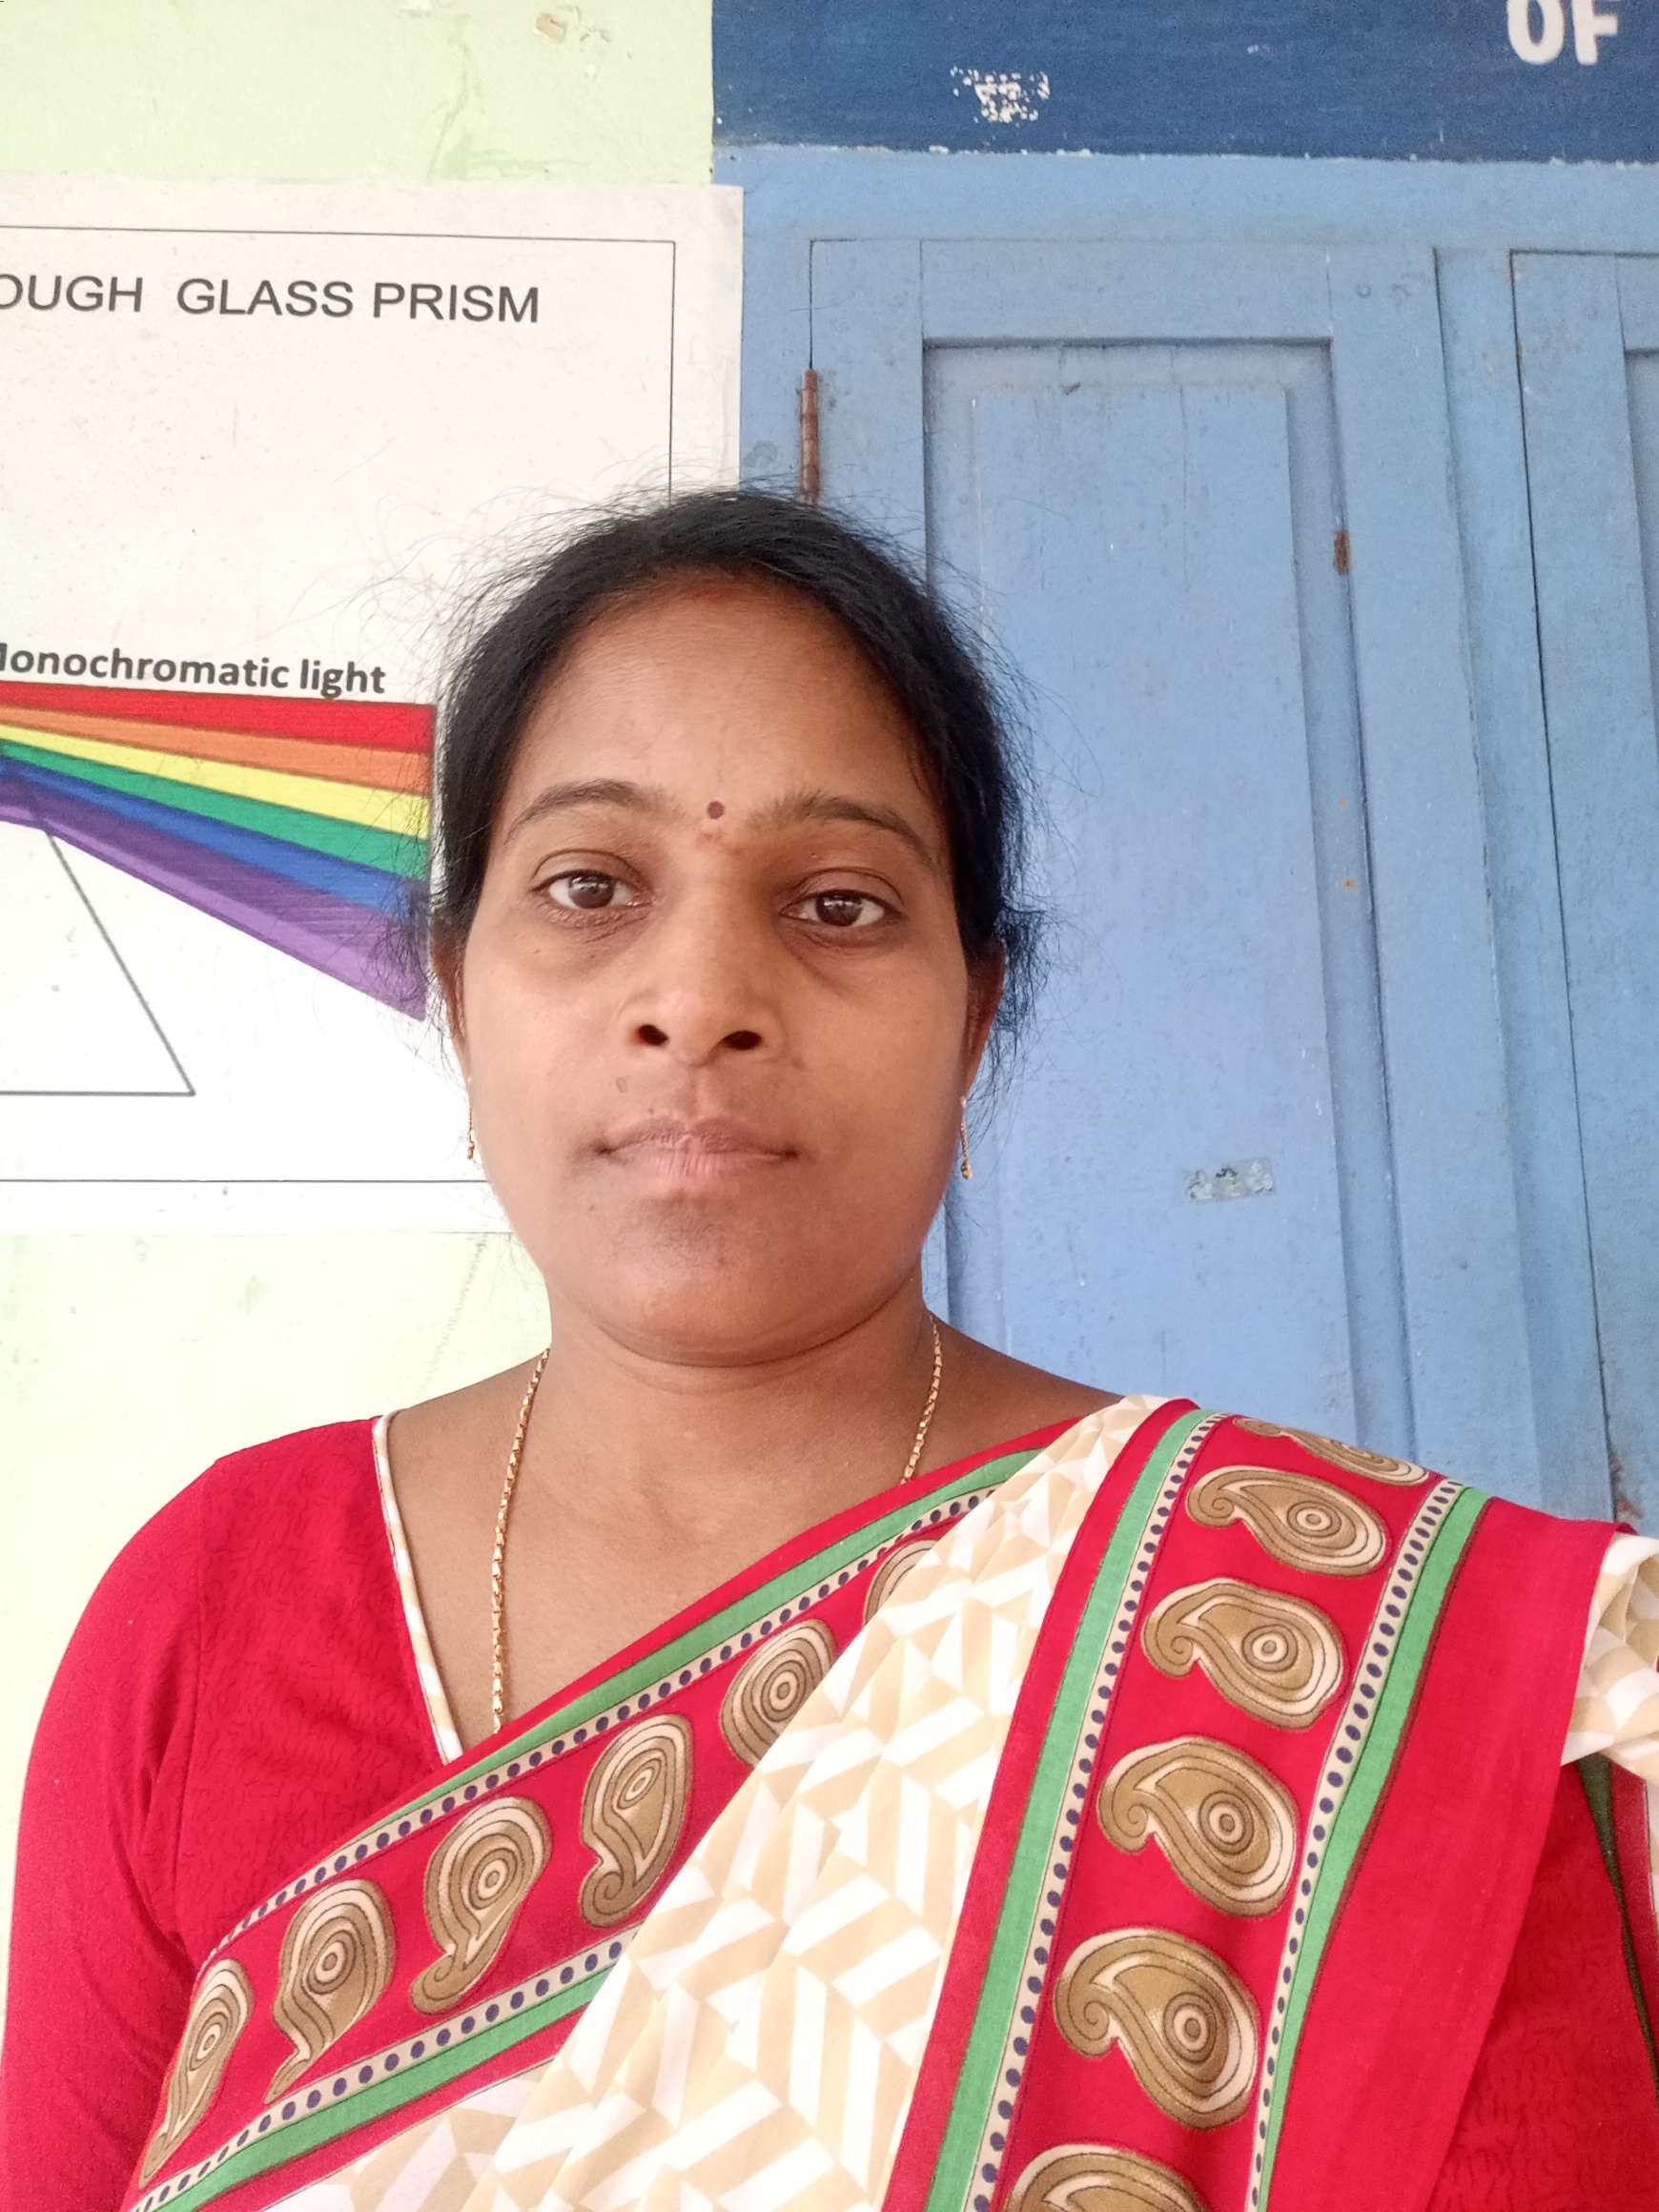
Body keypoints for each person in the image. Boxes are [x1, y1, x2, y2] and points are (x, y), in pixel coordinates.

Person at [2, 490, 1654, 2212]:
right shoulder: (210, 1613)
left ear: (976, 1015)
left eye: (841, 904)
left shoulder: (1333, 1661)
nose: (702, 994)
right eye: (588, 886)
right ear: (454, 987)